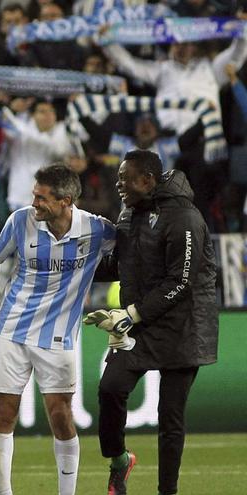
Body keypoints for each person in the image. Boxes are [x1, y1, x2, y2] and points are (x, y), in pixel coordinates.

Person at [0, 164, 116, 495]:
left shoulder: (97, 230)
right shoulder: (20, 221)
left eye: (42, 198)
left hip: (58, 338)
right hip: (11, 331)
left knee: (61, 416)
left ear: (65, 201)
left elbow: (133, 256)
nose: (35, 203)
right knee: (4, 413)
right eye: (34, 195)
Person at [84, 150, 219, 495]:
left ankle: (167, 492)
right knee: (110, 388)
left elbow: (181, 281)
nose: (119, 183)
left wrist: (130, 315)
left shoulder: (185, 217)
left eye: (125, 178)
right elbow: (120, 265)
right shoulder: (130, 213)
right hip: (142, 325)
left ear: (147, 179)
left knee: (170, 418)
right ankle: (119, 461)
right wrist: (74, 270)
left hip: (182, 327)